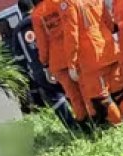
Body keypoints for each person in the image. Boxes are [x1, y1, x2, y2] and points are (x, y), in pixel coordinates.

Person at [73, 0, 123, 126]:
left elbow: (71, 34)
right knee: (120, 89)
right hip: (108, 46)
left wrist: (71, 62)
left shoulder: (70, 3)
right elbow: (109, 21)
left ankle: (117, 125)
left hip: (91, 54)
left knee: (101, 96)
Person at [32, 0, 92, 130]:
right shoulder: (62, 2)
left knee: (74, 96)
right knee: (87, 89)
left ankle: (85, 125)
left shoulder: (37, 14)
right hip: (77, 53)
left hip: (58, 60)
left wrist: (44, 63)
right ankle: (97, 119)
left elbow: (42, 43)